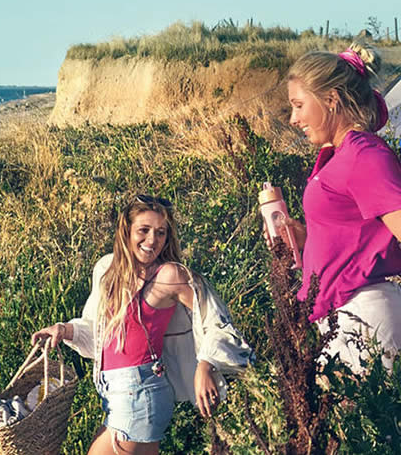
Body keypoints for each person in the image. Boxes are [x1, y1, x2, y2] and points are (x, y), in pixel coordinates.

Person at [285, 45, 401, 372]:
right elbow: (348, 234)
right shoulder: (338, 156)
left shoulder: (365, 155)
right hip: (345, 318)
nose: (293, 118)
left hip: (369, 318)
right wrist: (305, 237)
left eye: (299, 105)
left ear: (330, 100)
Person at [31, 195, 253, 455]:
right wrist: (63, 329)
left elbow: (216, 319)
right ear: (126, 231)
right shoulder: (106, 270)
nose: (152, 241)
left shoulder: (170, 275)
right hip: (114, 395)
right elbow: (98, 330)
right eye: (144, 230)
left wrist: (205, 365)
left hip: (141, 394)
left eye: (160, 233)